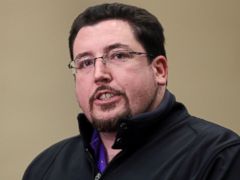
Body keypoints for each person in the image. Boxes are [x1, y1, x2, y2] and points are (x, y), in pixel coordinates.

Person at [23, 3, 240, 180]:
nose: (99, 74)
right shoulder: (45, 168)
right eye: (86, 62)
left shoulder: (219, 157)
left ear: (159, 70)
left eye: (118, 56)